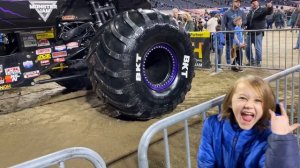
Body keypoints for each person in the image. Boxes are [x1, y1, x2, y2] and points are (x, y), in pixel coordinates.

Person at [197, 75, 300, 167]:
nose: (249, 105)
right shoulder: (213, 125)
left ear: (266, 107)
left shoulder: (270, 135)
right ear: (230, 103)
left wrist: (281, 141)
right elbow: (205, 163)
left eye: (258, 100)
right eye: (242, 98)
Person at [245, 0, 273, 67]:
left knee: (257, 48)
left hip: (258, 33)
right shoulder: (250, 12)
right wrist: (244, 25)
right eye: (252, 2)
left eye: (255, 2)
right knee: (247, 48)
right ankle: (251, 61)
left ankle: (258, 62)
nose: (253, 3)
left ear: (258, 3)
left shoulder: (262, 10)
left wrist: (270, 7)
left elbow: (269, 12)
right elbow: (247, 21)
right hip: (249, 32)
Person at [222, 0, 246, 65]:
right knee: (229, 49)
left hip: (238, 35)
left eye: (239, 2)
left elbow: (245, 21)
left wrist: (238, 23)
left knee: (239, 49)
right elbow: (223, 23)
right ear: (232, 2)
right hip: (229, 34)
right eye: (236, 1)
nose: (238, 3)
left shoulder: (242, 12)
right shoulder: (226, 13)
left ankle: (238, 62)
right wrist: (223, 33)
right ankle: (228, 62)